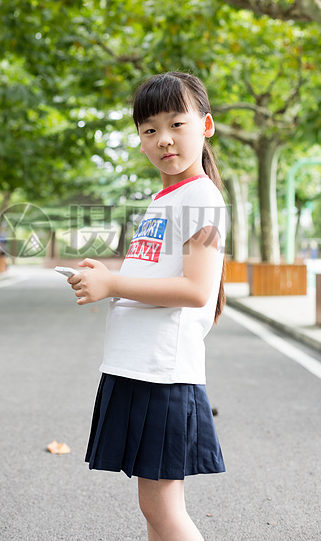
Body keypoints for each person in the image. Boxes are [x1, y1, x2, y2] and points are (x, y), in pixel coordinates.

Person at [67, 71, 228, 541]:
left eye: (177, 124)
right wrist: (110, 278)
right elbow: (157, 274)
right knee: (154, 506)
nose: (164, 139)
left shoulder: (200, 197)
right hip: (139, 366)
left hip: (164, 371)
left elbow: (197, 289)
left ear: (206, 126)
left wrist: (114, 282)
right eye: (150, 129)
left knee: (162, 507)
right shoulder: (165, 198)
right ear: (139, 140)